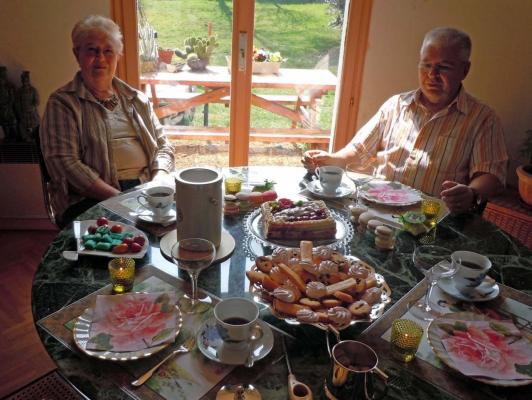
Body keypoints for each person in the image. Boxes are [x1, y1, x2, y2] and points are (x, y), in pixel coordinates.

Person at [303, 27, 508, 214]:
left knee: (418, 253)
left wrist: (471, 192)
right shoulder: (396, 105)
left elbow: (491, 175)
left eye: (443, 67)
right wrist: (329, 159)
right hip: (377, 209)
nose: (432, 75)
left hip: (432, 219)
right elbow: (359, 149)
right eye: (426, 65)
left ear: (465, 70)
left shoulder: (483, 118)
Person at [41, 15, 175, 227]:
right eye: (92, 50)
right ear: (77, 54)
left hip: (146, 192)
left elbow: (164, 146)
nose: (100, 58)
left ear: (118, 55)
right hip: (91, 199)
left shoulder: (136, 99)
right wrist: (121, 199)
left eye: (108, 50)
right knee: (122, 248)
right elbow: (65, 163)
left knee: (191, 223)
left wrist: (158, 180)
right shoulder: (62, 103)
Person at [15, 71, 40, 142]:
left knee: (35, 128)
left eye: (26, 80)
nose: (25, 82)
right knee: (24, 129)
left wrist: (33, 107)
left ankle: (34, 140)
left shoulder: (33, 90)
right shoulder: (19, 91)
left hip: (32, 113)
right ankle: (27, 141)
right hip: (23, 114)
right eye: (23, 80)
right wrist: (20, 111)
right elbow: (17, 103)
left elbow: (37, 101)